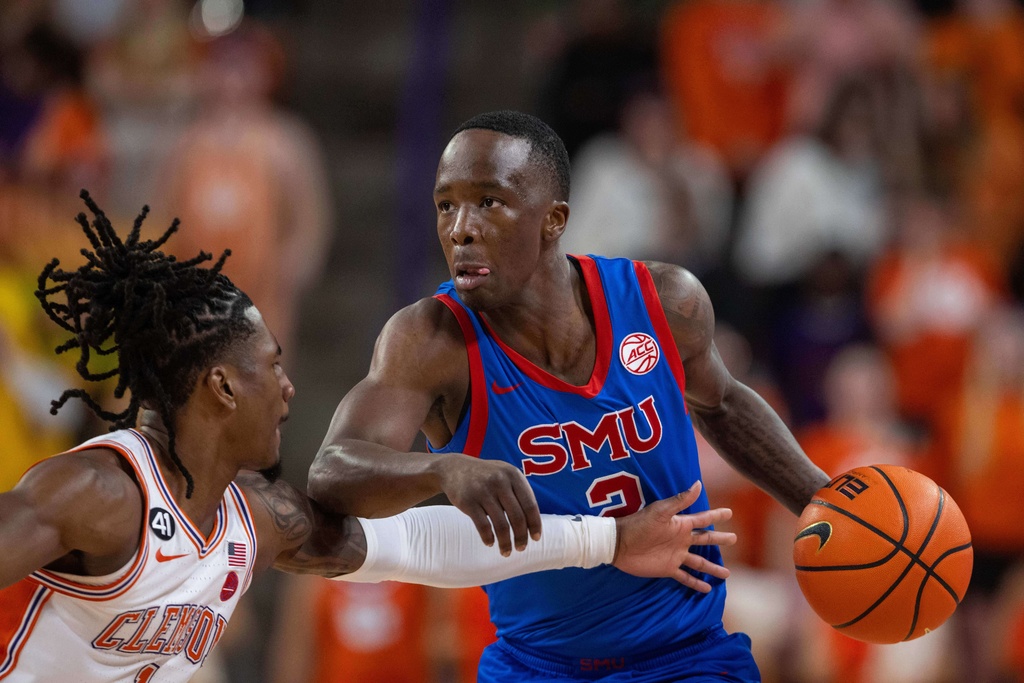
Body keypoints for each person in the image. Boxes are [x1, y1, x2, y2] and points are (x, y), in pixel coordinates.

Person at [0, 190, 737, 682]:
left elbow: (415, 546)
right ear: (223, 388)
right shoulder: (97, 493)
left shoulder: (254, 517)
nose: (289, 389)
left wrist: (608, 542)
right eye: (272, 366)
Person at [307, 111, 831, 682]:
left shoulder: (662, 300)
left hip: (687, 655)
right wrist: (441, 469)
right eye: (445, 204)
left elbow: (723, 403)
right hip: (537, 665)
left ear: (553, 220)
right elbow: (332, 473)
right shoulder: (431, 340)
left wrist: (824, 501)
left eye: (488, 201)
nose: (460, 227)